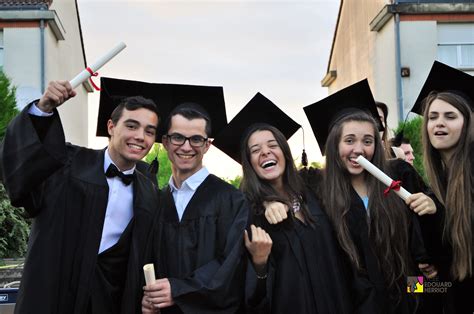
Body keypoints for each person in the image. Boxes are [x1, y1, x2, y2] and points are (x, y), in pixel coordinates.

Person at [0, 80, 160, 314]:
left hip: (109, 302)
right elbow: (20, 171)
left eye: (149, 131)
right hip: (53, 294)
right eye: (132, 126)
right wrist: (43, 109)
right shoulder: (66, 163)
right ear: (111, 126)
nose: (140, 136)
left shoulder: (150, 195)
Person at [213, 92, 356, 314]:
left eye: (272, 145)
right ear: (248, 162)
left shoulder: (316, 191)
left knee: (423, 288)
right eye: (255, 150)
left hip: (338, 302)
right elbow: (247, 293)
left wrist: (422, 285)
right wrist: (259, 262)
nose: (265, 152)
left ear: (284, 151)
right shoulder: (248, 215)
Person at [303, 80, 432, 314]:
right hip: (352, 302)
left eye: (368, 141)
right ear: (334, 145)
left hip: (409, 294)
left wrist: (428, 287)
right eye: (349, 140)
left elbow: (424, 261)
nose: (359, 149)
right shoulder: (317, 190)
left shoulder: (401, 176)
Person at [142, 102, 249, 313]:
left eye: (196, 139)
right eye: (178, 137)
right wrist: (148, 297)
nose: (186, 146)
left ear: (207, 145)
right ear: (165, 142)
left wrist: (180, 290)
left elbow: (231, 266)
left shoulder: (231, 200)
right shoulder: (156, 201)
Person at [411, 61, 474, 314]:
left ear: (467, 124)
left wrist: (438, 213)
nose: (439, 123)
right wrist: (419, 281)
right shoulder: (433, 187)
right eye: (433, 117)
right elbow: (442, 283)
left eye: (450, 116)